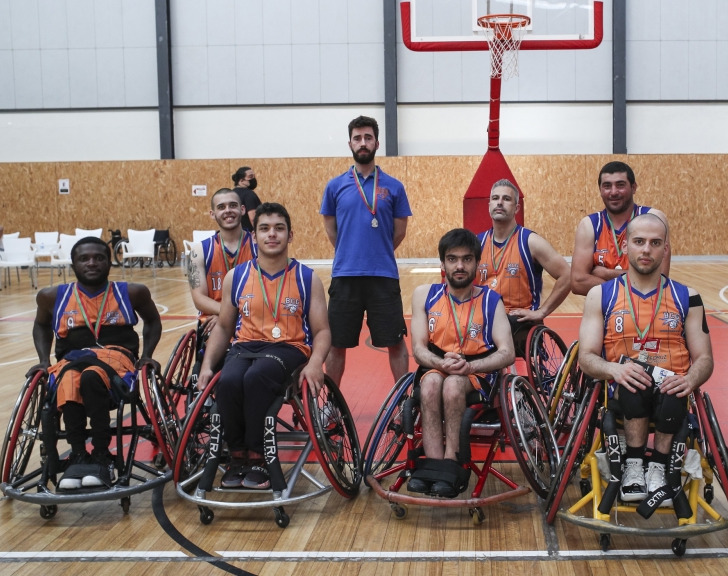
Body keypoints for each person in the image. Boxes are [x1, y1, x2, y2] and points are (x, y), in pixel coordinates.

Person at [578, 214, 713, 504]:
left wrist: (690, 379)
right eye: (639, 242)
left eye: (655, 243)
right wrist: (613, 369)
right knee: (632, 378)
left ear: (665, 249)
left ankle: (659, 469)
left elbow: (704, 358)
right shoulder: (599, 295)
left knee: (673, 388)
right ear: (625, 247)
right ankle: (634, 467)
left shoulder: (689, 297)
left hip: (672, 390)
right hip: (623, 389)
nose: (646, 250)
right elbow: (586, 357)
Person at [198, 203, 331, 490]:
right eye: (265, 229)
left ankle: (258, 457)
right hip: (245, 347)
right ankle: (238, 456)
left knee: (257, 377)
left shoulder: (308, 278)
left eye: (279, 228)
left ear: (290, 235)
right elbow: (223, 327)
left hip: (288, 349)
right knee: (230, 380)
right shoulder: (237, 277)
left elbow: (322, 331)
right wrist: (207, 366)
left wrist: (314, 363)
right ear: (254, 236)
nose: (272, 234)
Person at [26, 237, 162, 489]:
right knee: (68, 378)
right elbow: (41, 325)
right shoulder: (51, 296)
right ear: (73, 264)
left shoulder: (132, 292)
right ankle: (78, 454)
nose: (91, 263)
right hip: (71, 361)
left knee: (91, 375)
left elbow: (153, 321)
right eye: (84, 258)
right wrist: (44, 361)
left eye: (99, 258)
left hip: (116, 358)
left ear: (109, 263)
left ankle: (101, 454)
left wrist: (147, 355)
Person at [407, 229, 514, 497]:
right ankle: (433, 465)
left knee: (454, 385)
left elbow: (508, 352)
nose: (459, 266)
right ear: (442, 264)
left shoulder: (491, 300)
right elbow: (418, 348)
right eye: (452, 259)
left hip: (478, 370)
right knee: (430, 384)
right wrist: (441, 364)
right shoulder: (424, 294)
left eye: (467, 259)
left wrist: (471, 367)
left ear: (477, 263)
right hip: (436, 362)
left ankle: (452, 463)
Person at [321, 116, 412, 387]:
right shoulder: (335, 186)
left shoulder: (394, 186)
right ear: (349, 143)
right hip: (345, 275)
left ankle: (403, 401)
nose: (363, 143)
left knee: (395, 341)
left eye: (368, 137)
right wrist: (351, 252)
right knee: (337, 343)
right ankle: (332, 404)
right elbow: (332, 231)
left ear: (377, 143)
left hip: (383, 276)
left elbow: (399, 233)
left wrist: (376, 252)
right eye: (358, 138)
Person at [475, 179, 571, 352]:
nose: (499, 202)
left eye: (506, 199)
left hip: (518, 323)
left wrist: (542, 312)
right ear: (489, 205)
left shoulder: (531, 242)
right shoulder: (477, 243)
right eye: (495, 198)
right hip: (483, 321)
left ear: (517, 208)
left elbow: (567, 275)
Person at [571, 162, 671, 296]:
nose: (613, 192)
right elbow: (578, 283)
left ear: (634, 187)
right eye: (607, 186)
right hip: (605, 311)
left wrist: (607, 273)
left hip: (646, 307)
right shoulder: (590, 224)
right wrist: (635, 279)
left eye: (620, 185)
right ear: (600, 190)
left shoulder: (653, 218)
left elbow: (658, 280)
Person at [187, 188, 257, 336]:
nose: (228, 211)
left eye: (233, 205)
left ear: (242, 209)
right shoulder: (199, 252)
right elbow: (199, 299)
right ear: (212, 214)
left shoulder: (258, 247)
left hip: (253, 318)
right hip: (214, 321)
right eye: (221, 207)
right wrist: (226, 314)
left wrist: (229, 314)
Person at [232, 167, 262, 232]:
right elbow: (253, 218)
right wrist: (259, 232)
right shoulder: (249, 195)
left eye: (254, 176)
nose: (253, 179)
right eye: (250, 177)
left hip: (235, 235)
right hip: (249, 235)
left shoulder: (231, 194)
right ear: (241, 181)